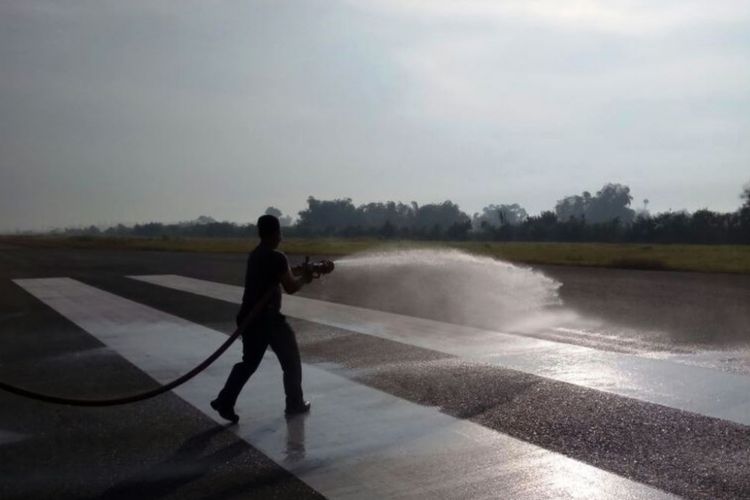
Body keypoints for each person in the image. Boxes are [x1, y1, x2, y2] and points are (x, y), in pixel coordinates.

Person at [210, 214, 316, 423]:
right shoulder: (277, 257)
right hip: (269, 321)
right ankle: (294, 403)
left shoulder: (256, 255)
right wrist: (306, 276)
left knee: (248, 363)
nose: (281, 237)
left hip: (250, 319)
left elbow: (277, 276)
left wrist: (293, 271)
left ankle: (225, 400)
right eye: (280, 233)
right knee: (291, 361)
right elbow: (291, 287)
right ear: (276, 233)